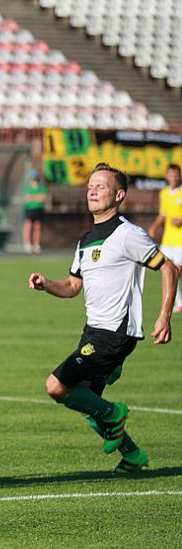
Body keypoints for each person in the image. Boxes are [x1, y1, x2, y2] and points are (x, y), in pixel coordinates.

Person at [28, 162, 178, 475]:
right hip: (93, 332)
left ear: (119, 195)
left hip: (115, 334)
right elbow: (72, 287)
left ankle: (114, 411)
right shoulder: (85, 240)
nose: (93, 191)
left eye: (102, 186)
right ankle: (132, 454)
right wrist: (46, 285)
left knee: (56, 386)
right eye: (90, 186)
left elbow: (168, 268)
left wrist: (165, 315)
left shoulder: (128, 234)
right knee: (86, 403)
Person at [147, 163, 182, 313]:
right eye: (171, 175)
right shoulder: (164, 193)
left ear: (180, 175)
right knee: (166, 271)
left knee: (177, 271)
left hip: (181, 240)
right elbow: (163, 214)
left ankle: (178, 302)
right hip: (167, 240)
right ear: (167, 176)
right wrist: (154, 227)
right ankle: (179, 302)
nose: (173, 177)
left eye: (176, 175)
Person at [22, 169, 47, 254]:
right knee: (28, 226)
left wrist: (34, 197)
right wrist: (36, 197)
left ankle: (36, 245)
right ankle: (27, 244)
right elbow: (27, 198)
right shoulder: (28, 187)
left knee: (37, 226)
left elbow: (42, 198)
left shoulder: (41, 186)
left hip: (38, 209)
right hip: (29, 209)